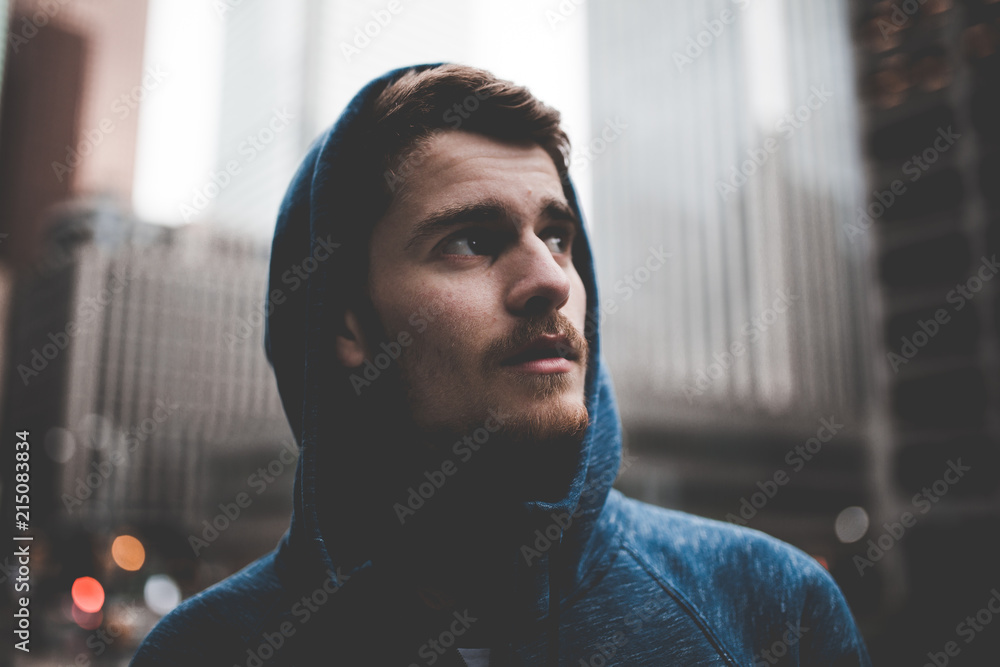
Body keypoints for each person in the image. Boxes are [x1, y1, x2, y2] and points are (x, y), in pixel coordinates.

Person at [131, 63, 871, 666]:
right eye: (470, 241)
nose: (550, 280)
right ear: (349, 324)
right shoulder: (203, 651)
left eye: (557, 236)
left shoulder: (773, 606)